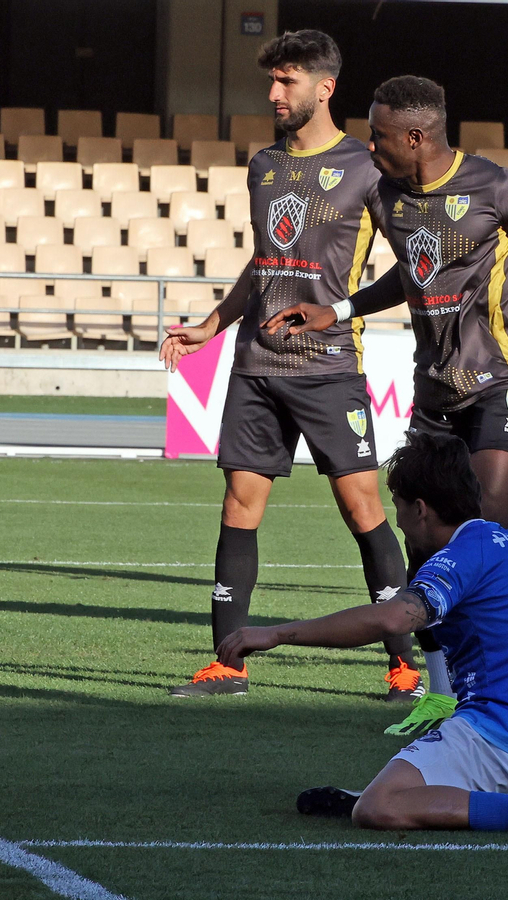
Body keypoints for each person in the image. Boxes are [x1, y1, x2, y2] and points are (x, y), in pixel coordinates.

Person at [265, 75, 508, 734]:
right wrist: (339, 309)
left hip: (503, 381)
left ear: (415, 136)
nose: (370, 145)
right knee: (423, 539)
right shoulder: (389, 193)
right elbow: (412, 271)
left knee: (478, 534)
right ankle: (443, 694)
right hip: (435, 390)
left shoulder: (497, 188)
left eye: (379, 135)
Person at [159, 30, 423, 701]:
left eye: (288, 81)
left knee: (363, 508)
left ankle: (404, 668)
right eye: (272, 81)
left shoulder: (367, 168)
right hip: (256, 364)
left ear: (325, 87)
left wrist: (342, 309)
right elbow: (264, 261)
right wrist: (212, 326)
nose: (275, 94)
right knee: (238, 505)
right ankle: (228, 666)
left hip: (329, 367)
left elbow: (413, 265)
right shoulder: (264, 165)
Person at [216, 432, 508, 836]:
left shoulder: (462, 555)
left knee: (377, 807)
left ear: (420, 509)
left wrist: (277, 634)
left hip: (496, 737)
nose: (396, 521)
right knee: (409, 787)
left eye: (397, 506)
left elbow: (394, 619)